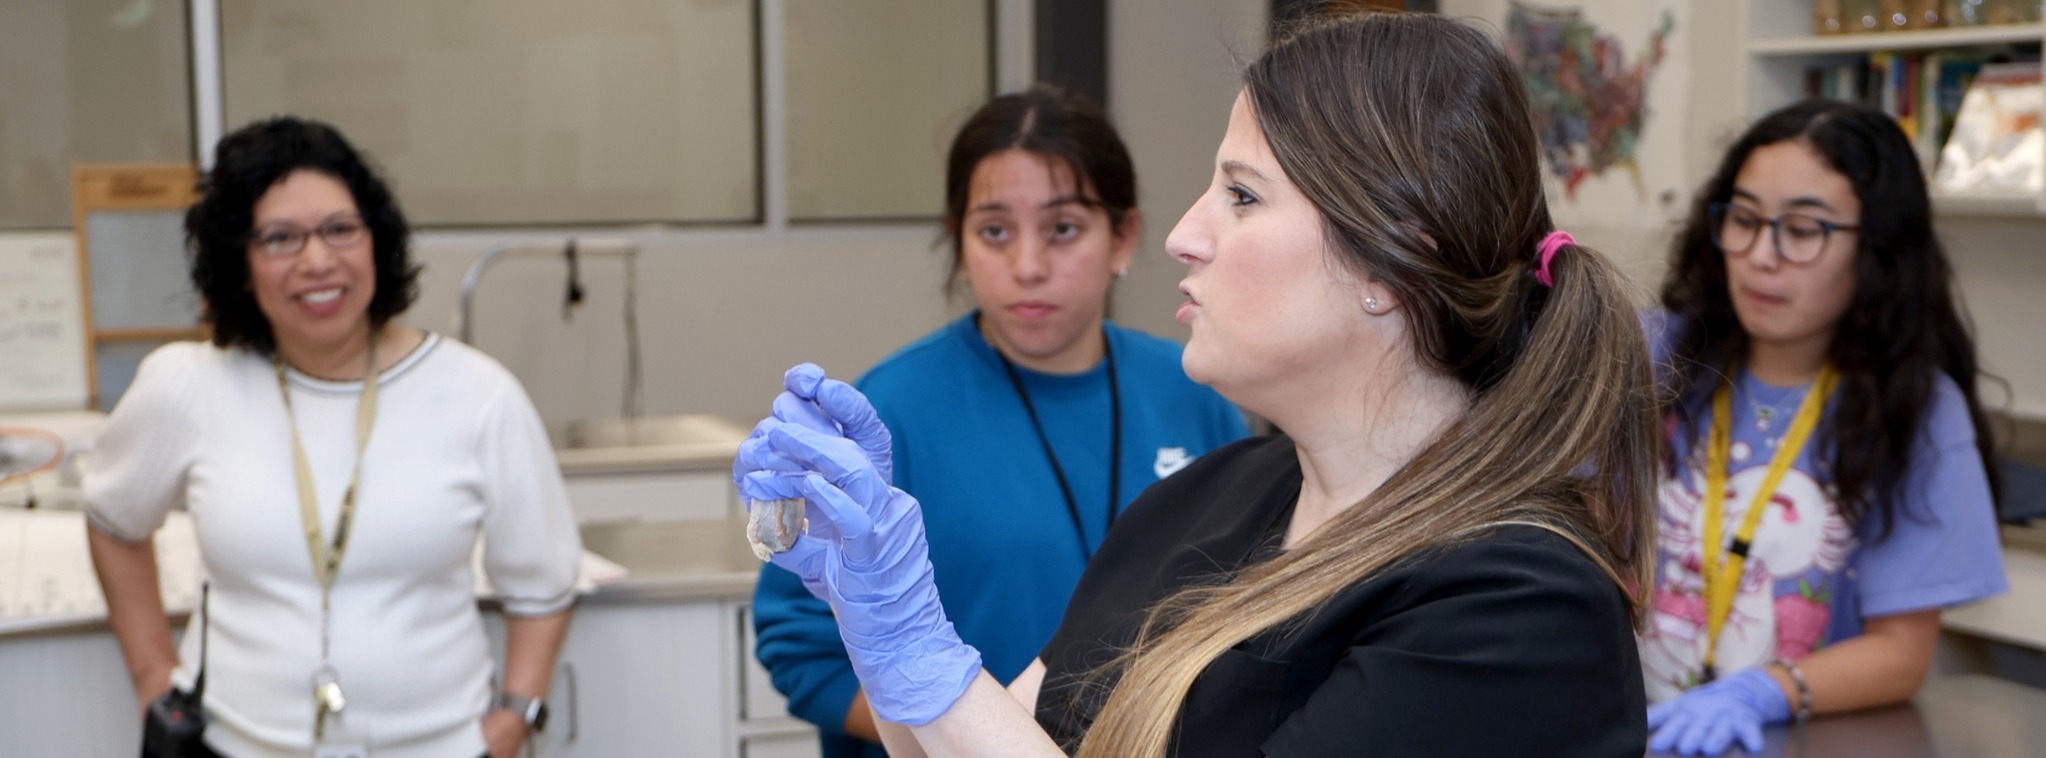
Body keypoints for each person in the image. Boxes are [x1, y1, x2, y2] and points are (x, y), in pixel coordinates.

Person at [735, 13, 1656, 757]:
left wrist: (925, 655)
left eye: (1243, 196)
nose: (1183, 234)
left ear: (1394, 259)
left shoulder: (1519, 607)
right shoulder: (1203, 501)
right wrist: (879, 628)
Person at [750, 86, 1250, 758]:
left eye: (1063, 229)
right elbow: (801, 644)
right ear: (958, 240)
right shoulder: (892, 409)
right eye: (993, 231)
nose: (1028, 266)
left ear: (1123, 237)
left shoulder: (1196, 391)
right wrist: (957, 734)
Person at [86, 116, 581, 758]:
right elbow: (113, 520)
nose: (318, 261)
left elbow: (542, 582)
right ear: (240, 261)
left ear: (377, 239)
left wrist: (516, 717)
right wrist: (153, 677)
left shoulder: (477, 395)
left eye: (340, 230)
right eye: (281, 238)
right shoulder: (188, 385)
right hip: (236, 746)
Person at [1638, 100, 2008, 755]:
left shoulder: (1917, 410)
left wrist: (1761, 692)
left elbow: (1900, 654)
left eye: (1802, 229)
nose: (1760, 256)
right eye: (1745, 219)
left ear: (1877, 248)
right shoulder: (1657, 358)